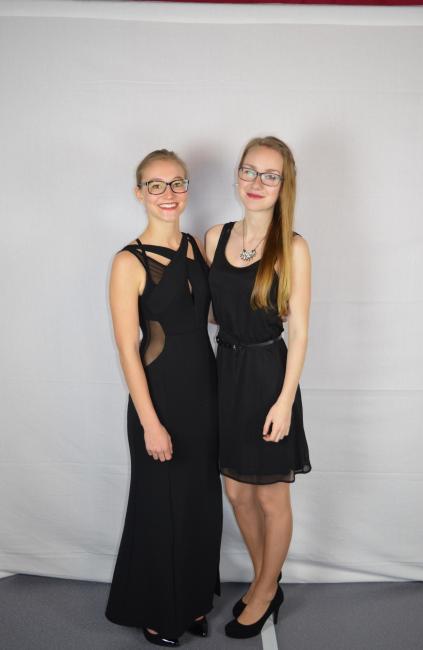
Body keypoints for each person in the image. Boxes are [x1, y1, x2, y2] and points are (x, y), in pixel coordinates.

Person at [105, 149, 223, 647]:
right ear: (140, 193)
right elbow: (127, 348)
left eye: (177, 183)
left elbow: (208, 315)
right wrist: (150, 422)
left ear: (187, 189)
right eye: (155, 185)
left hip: (205, 393)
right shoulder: (127, 262)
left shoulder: (196, 246)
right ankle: (155, 610)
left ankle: (191, 600)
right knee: (159, 505)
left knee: (199, 502)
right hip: (159, 399)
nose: (168, 194)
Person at [205, 135, 312, 639]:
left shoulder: (293, 247)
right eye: (249, 170)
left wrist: (285, 401)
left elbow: (301, 331)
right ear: (238, 174)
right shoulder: (214, 237)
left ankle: (267, 591)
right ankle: (264, 577)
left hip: (269, 376)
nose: (256, 182)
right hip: (226, 372)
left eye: (270, 175)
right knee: (236, 491)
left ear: (283, 185)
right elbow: (214, 311)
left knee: (271, 497)